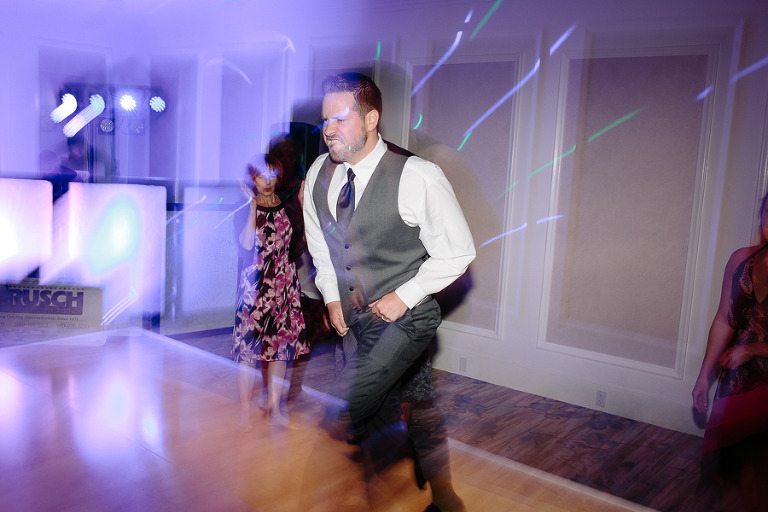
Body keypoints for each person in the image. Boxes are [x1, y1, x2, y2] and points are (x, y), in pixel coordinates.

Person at [302, 72, 475, 475]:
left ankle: (425, 487)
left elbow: (458, 251)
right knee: (376, 420)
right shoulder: (317, 174)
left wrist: (405, 296)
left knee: (352, 407)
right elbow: (321, 247)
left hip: (404, 319)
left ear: (371, 119)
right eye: (325, 119)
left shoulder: (418, 176)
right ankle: (399, 482)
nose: (328, 130)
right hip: (353, 322)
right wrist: (331, 297)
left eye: (340, 118)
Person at [692, 192, 768, 510]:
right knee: (724, 470)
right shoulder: (741, 261)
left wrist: (755, 348)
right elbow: (724, 319)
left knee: (756, 475)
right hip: (735, 382)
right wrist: (703, 376)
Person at [231, 148, 309, 431]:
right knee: (249, 353)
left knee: (280, 350)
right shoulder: (244, 206)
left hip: (284, 285)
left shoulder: (287, 203)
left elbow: (299, 243)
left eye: (271, 175)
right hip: (255, 288)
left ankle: (275, 408)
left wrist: (304, 206)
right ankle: (244, 411)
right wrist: (253, 208)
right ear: (252, 177)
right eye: (260, 176)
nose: (266, 181)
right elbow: (245, 246)